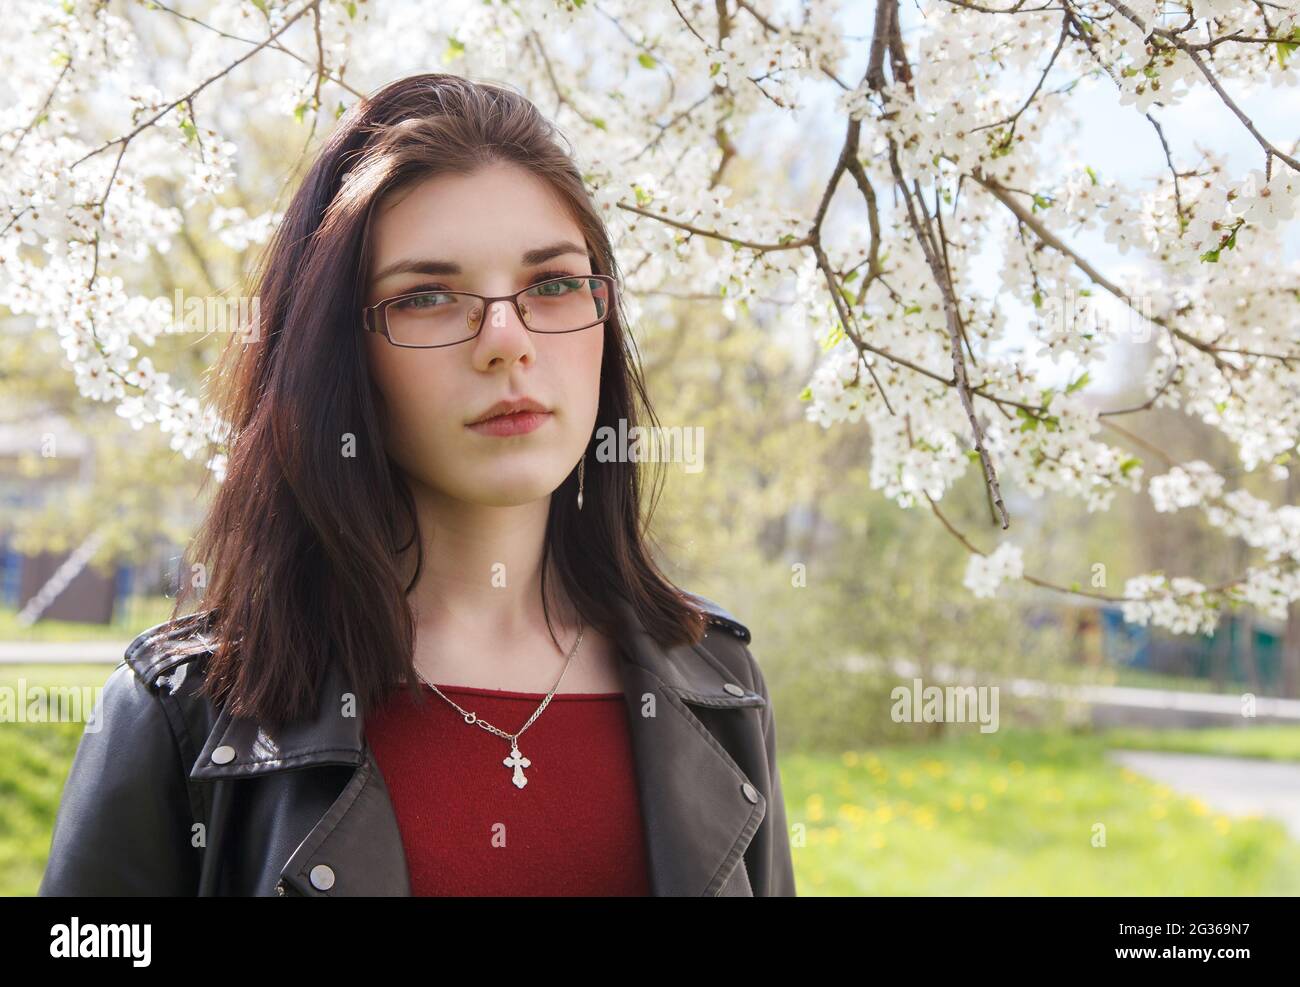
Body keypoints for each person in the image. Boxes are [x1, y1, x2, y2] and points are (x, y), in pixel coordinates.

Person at [38, 72, 796, 897]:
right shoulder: (189, 713)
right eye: (428, 296)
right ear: (337, 357)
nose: (506, 342)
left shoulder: (715, 683)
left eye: (551, 283)